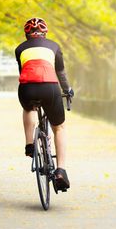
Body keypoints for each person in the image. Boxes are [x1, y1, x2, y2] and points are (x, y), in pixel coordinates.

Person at [15, 17, 73, 191]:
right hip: (50, 87)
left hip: (27, 89)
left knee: (28, 108)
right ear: (45, 33)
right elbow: (60, 72)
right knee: (59, 127)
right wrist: (68, 89)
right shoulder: (54, 46)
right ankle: (61, 170)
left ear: (27, 34)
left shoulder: (19, 49)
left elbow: (23, 70)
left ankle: (29, 145)